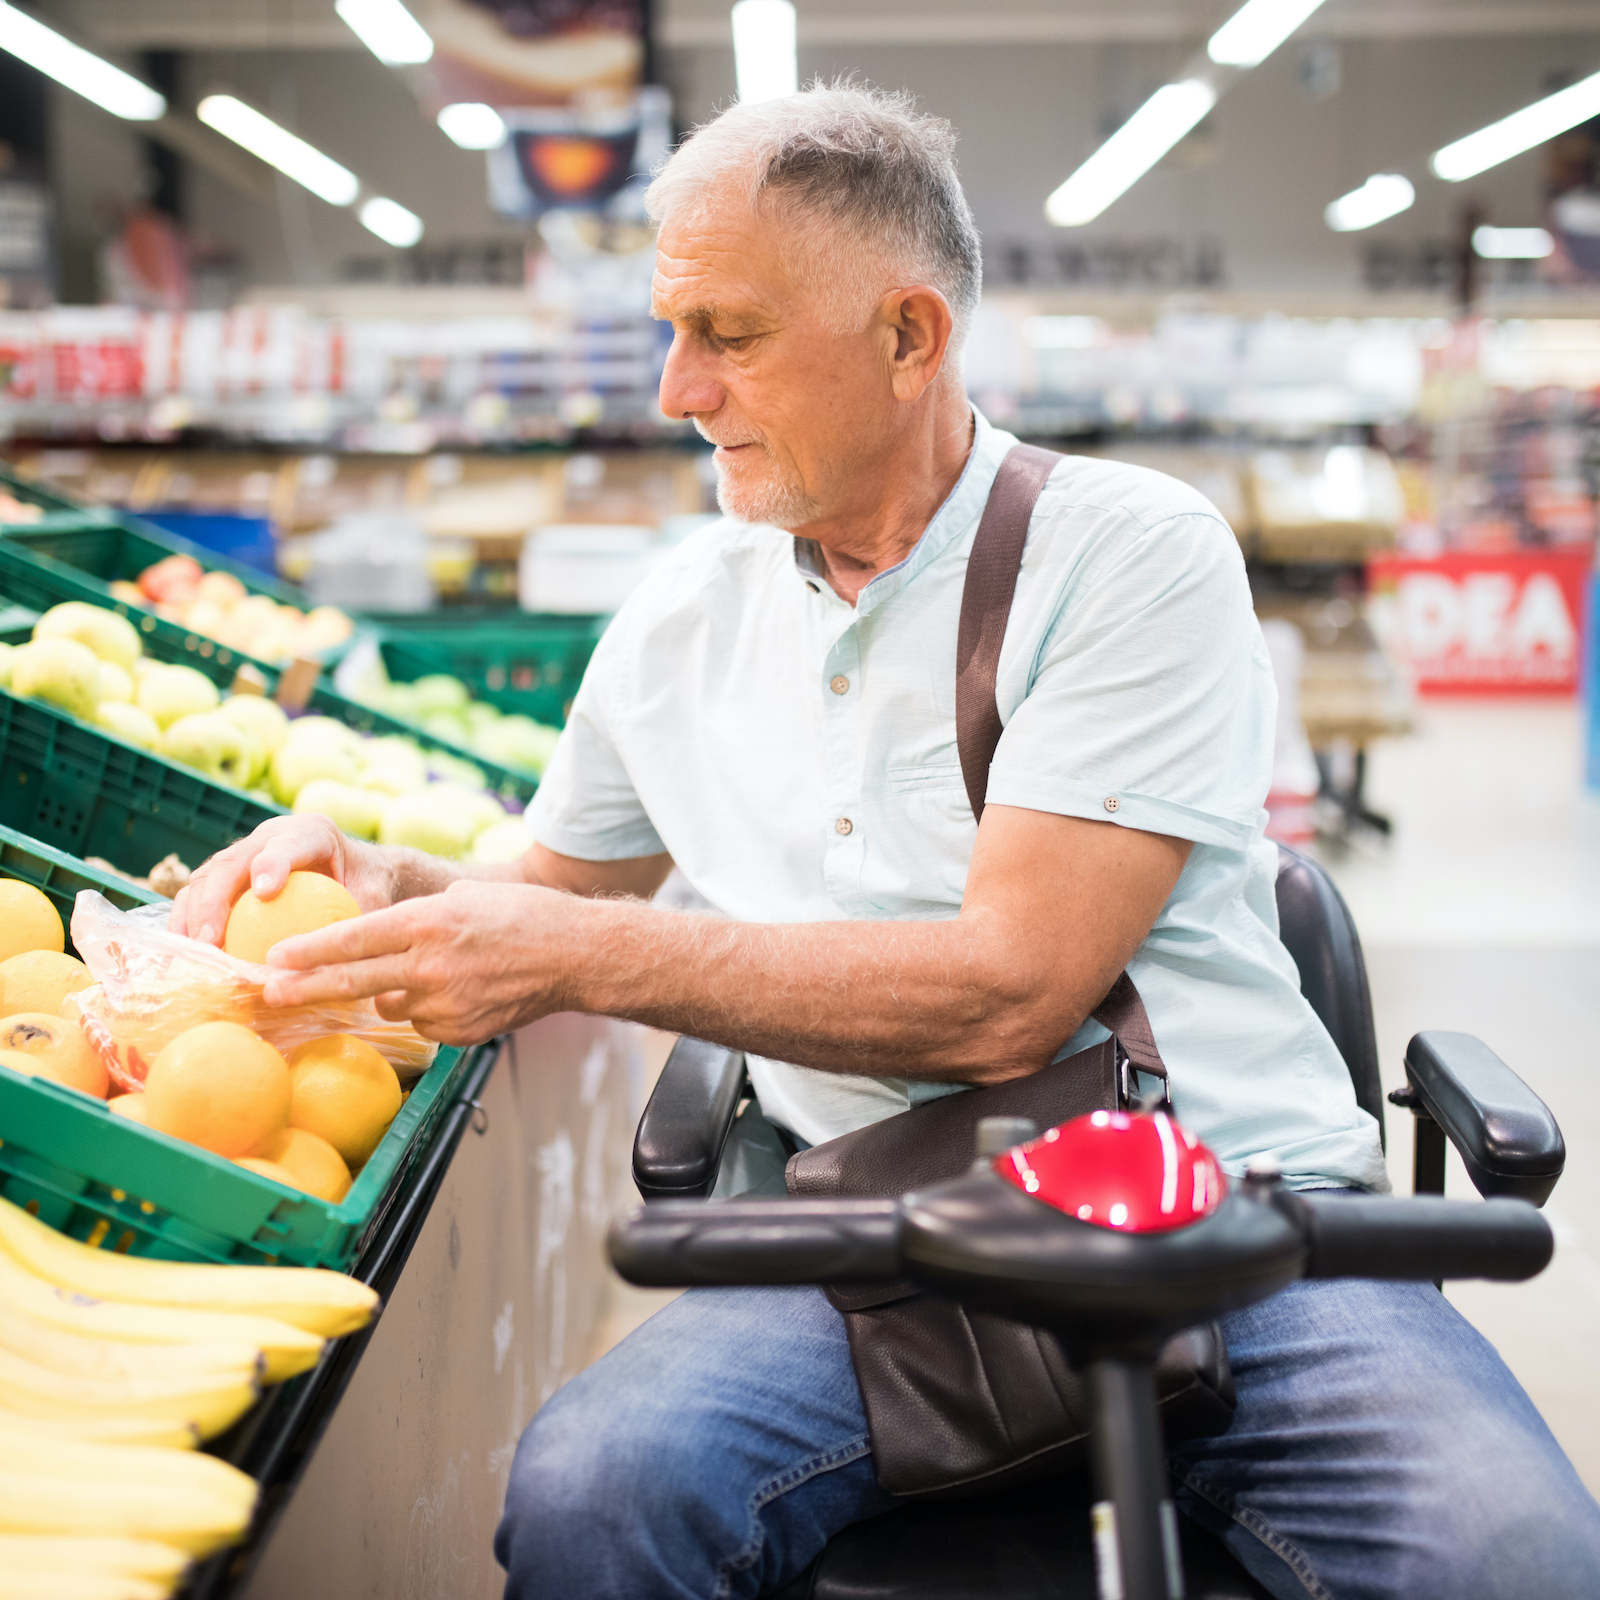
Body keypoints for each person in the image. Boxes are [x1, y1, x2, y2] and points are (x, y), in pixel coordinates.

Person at [173, 83, 1600, 1600]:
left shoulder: (1125, 553)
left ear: (911, 337)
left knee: (1514, 1558)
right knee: (594, 1495)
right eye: (670, 332)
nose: (675, 391)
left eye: (726, 335)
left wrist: (584, 955)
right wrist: (392, 884)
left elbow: (1011, 994)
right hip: (870, 1239)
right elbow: (545, 893)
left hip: (1241, 1220)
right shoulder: (679, 619)